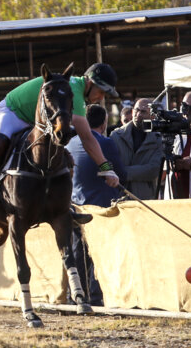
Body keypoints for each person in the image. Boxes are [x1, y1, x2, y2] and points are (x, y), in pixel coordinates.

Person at [0, 62, 121, 209]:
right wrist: (106, 168)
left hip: (35, 122)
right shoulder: (76, 94)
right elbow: (87, 138)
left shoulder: (77, 91)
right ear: (90, 83)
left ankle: (63, 203)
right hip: (12, 113)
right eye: (101, 92)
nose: (101, 98)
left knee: (59, 154)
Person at [67, 105, 126, 306]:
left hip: (75, 203)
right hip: (100, 206)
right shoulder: (106, 143)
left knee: (78, 250)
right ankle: (96, 294)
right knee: (101, 251)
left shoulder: (70, 143)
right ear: (104, 123)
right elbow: (120, 173)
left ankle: (77, 294)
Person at [110, 98, 163, 200]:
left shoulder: (158, 139)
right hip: (119, 196)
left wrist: (124, 172)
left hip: (145, 198)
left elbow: (154, 170)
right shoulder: (116, 136)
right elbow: (113, 167)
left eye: (143, 112)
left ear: (152, 116)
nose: (138, 114)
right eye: (136, 110)